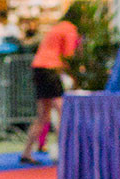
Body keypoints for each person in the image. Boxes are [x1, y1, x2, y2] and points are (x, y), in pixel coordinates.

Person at [19, 3, 82, 164]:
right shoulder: (70, 30)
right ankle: (64, 154)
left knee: (43, 115)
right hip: (50, 69)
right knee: (62, 112)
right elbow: (67, 56)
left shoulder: (57, 27)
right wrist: (74, 78)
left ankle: (26, 152)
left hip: (39, 68)